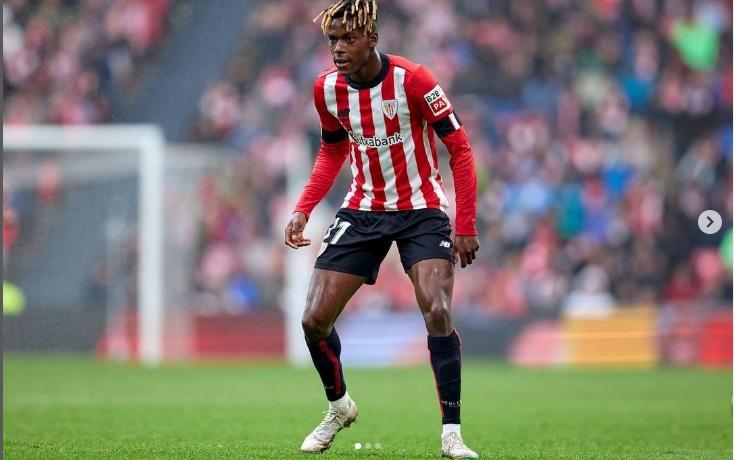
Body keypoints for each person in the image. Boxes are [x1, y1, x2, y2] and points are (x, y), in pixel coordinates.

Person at [284, 1, 479, 458]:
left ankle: (451, 432)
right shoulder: (327, 89)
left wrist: (465, 223)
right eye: (332, 40)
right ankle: (339, 406)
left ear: (372, 38)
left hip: (421, 209)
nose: (338, 48)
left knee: (437, 310)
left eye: (348, 38)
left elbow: (460, 148)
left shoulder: (415, 80)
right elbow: (333, 150)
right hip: (363, 209)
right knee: (313, 320)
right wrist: (303, 208)